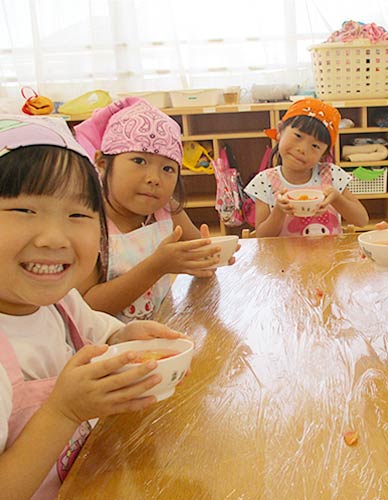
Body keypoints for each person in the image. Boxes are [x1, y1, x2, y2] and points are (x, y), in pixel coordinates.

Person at [0, 115, 187, 499]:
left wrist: (126, 335)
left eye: (78, 215)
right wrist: (62, 412)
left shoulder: (59, 302)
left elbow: (102, 331)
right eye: (24, 211)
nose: (55, 238)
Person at [74, 97, 231, 322]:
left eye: (167, 168)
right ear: (102, 163)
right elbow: (87, 310)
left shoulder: (166, 210)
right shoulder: (87, 222)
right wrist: (156, 267)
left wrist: (210, 258)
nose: (154, 179)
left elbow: (196, 257)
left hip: (159, 341)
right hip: (106, 349)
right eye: (139, 161)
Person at [244, 98, 369, 237]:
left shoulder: (331, 174)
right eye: (298, 136)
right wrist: (279, 211)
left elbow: (362, 220)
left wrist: (337, 199)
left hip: (328, 258)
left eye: (315, 146)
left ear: (323, 154)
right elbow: (262, 238)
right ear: (280, 131)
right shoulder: (265, 181)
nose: (303, 149)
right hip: (284, 259)